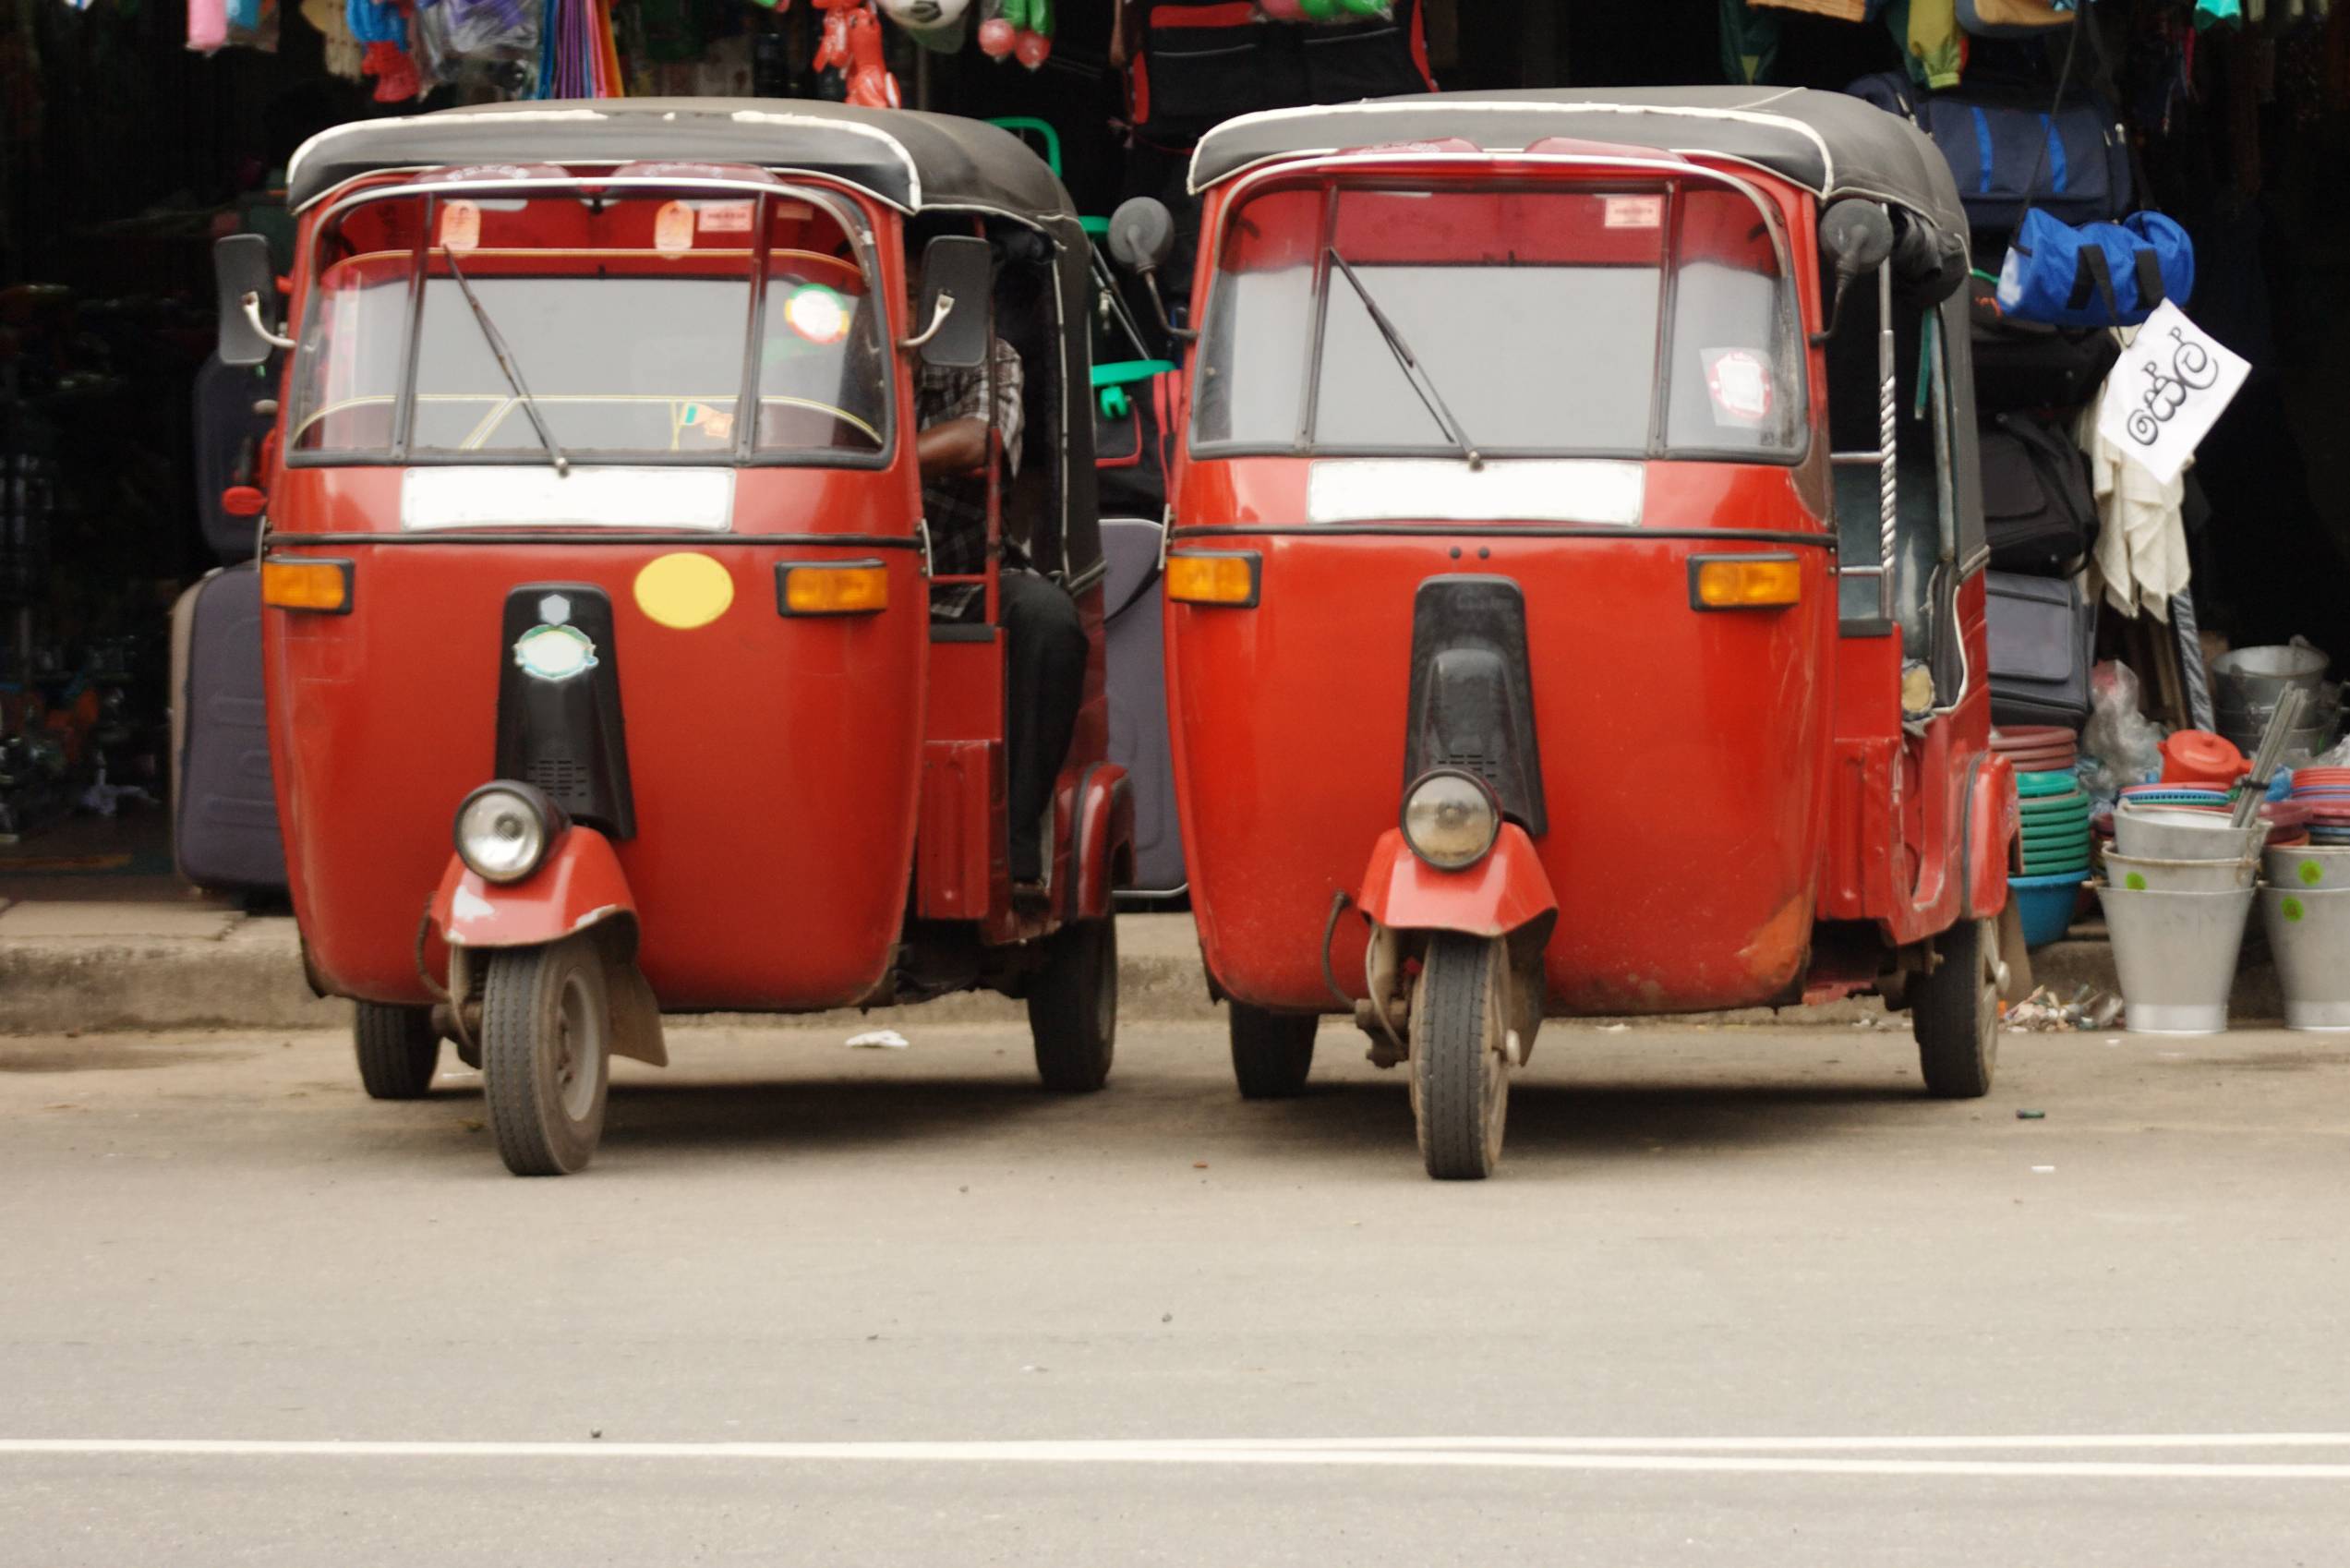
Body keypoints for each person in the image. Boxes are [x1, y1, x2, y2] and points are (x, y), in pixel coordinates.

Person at [912, 266, 1086, 899]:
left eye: (908, 292)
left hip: (956, 577)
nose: (896, 305)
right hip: (842, 579)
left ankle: (1012, 841)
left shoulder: (986, 355)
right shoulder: (817, 358)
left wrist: (874, 454)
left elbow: (979, 440)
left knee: (1047, 622)